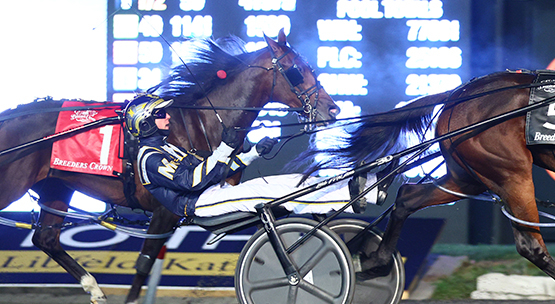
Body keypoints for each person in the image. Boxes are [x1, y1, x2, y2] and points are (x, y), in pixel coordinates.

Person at [123, 94, 374, 219]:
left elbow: (214, 172)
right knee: (277, 194)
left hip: (214, 192)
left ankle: (370, 187)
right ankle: (352, 199)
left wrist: (253, 154)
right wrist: (222, 149)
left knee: (291, 182)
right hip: (199, 204)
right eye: (160, 115)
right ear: (145, 124)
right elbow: (191, 181)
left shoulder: (168, 149)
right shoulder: (149, 158)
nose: (168, 117)